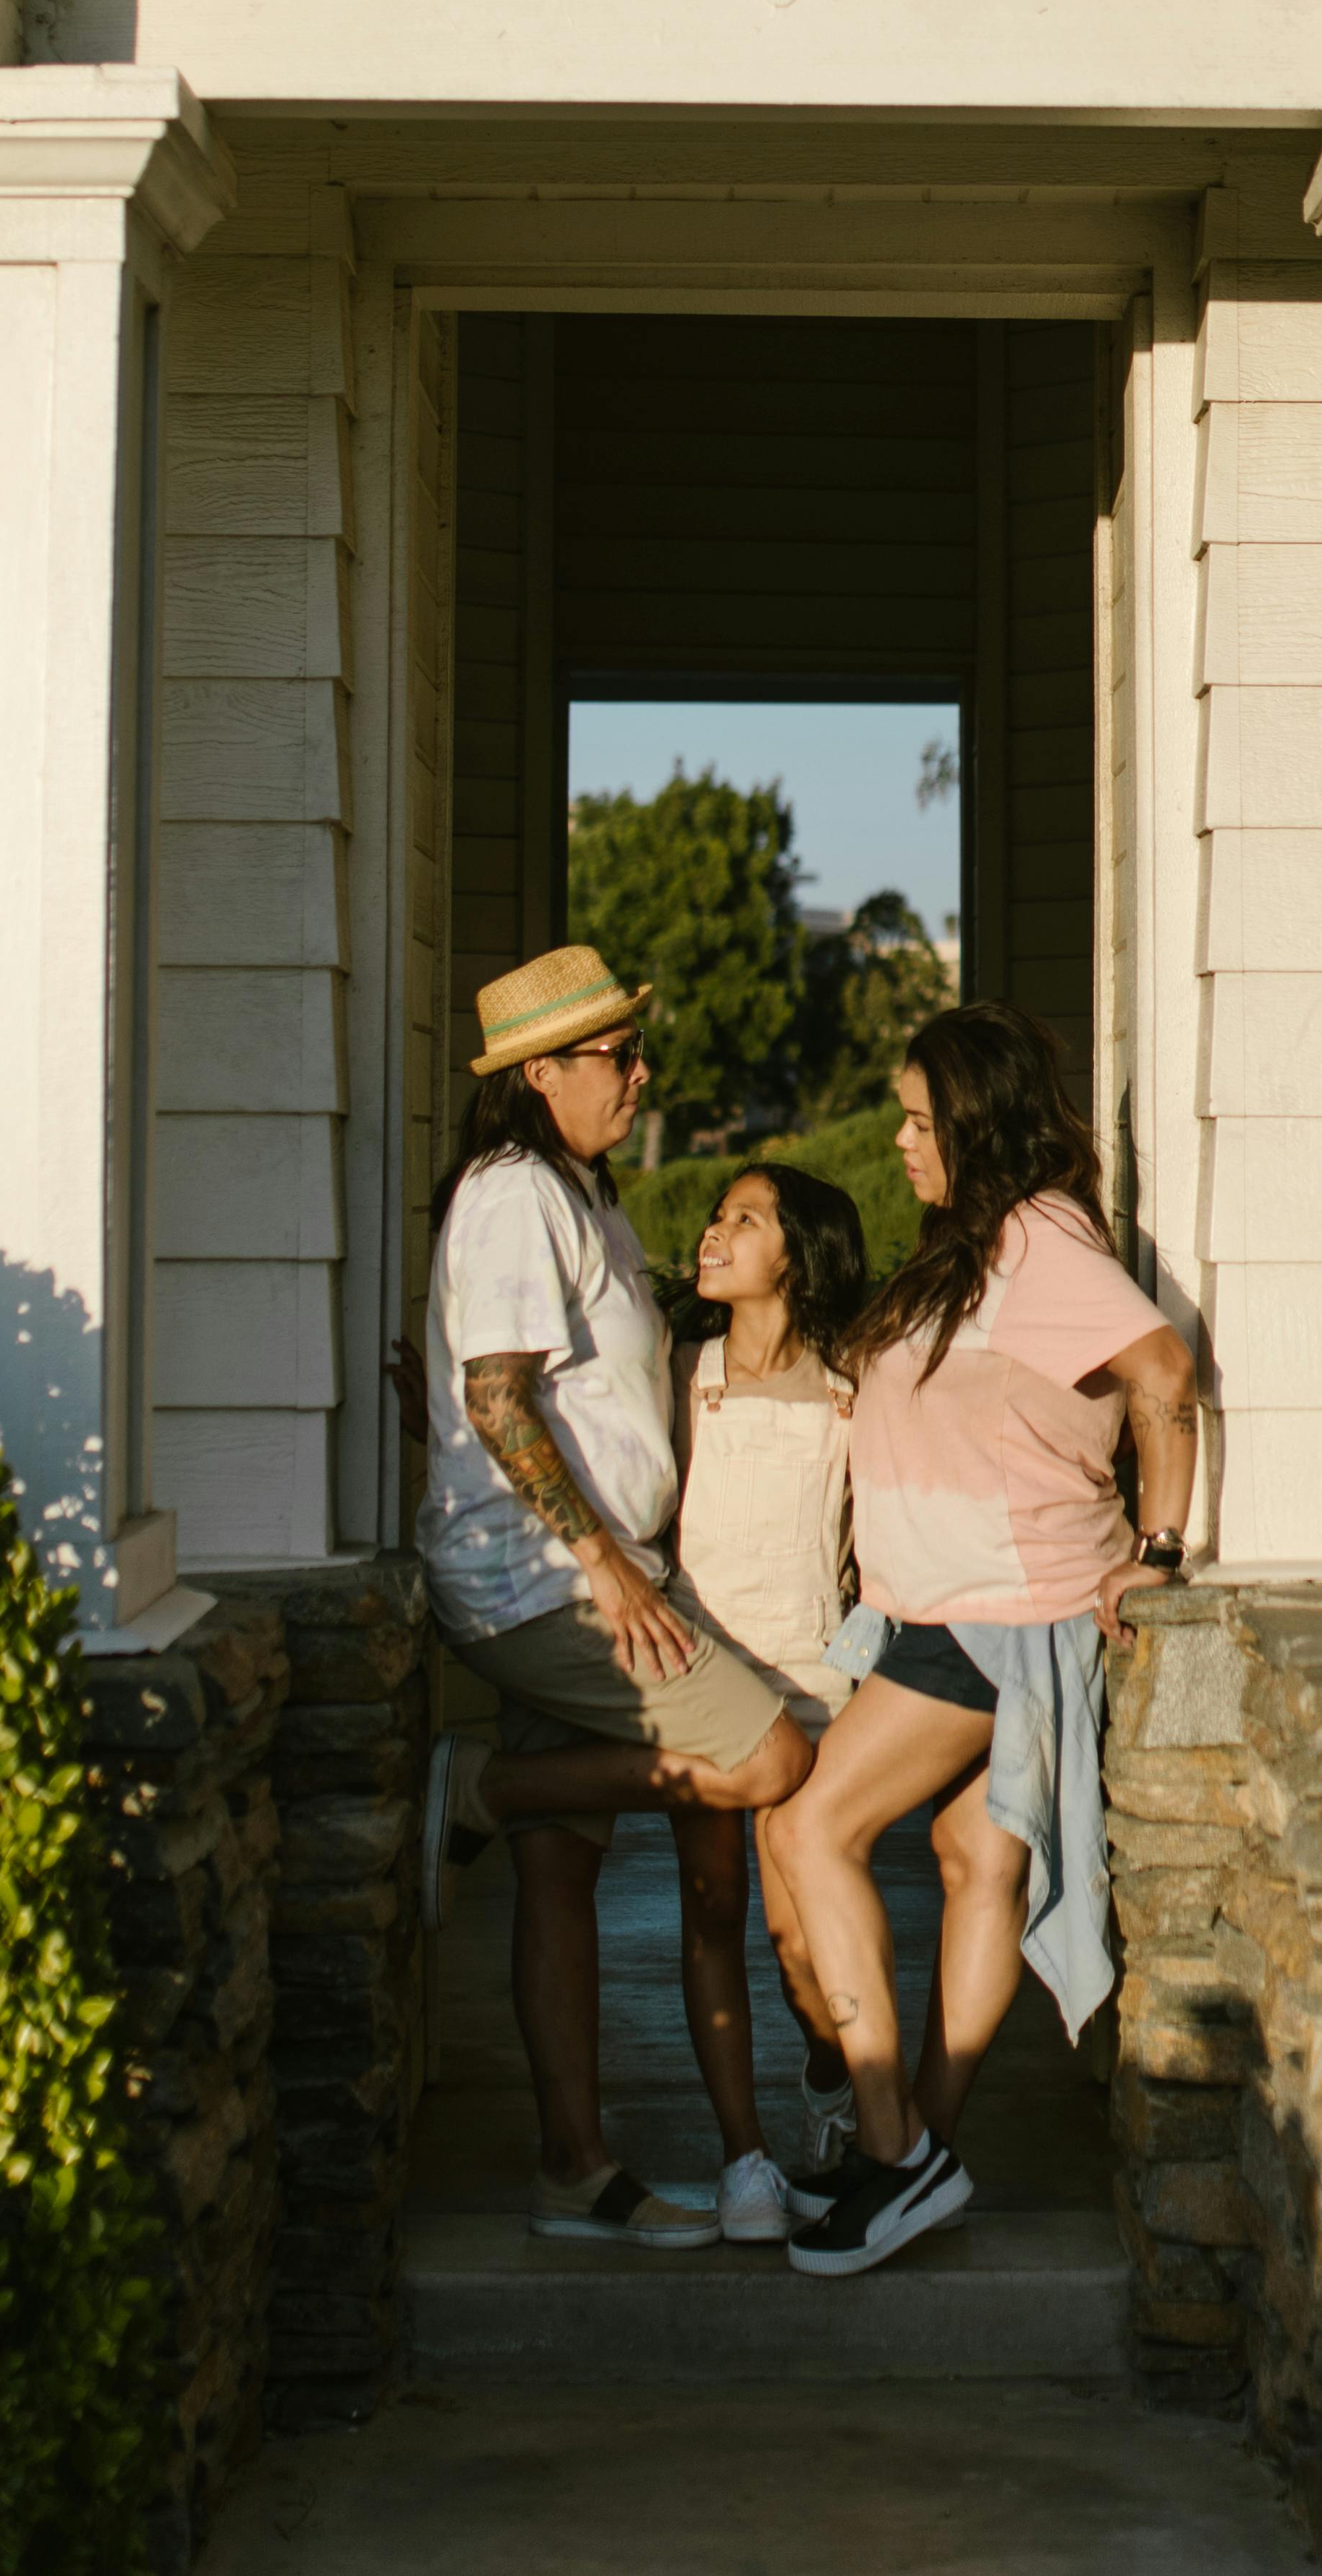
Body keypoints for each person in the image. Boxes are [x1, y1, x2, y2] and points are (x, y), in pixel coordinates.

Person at [766, 1000, 1201, 2281]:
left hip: (998, 1606)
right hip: (944, 1600)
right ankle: (916, 2158)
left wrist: (1158, 1552)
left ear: (977, 1124)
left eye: (918, 1120)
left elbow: (1163, 1374)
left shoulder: (1040, 1241)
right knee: (970, 1860)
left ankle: (896, 2150)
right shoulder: (979, 1247)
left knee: (806, 1831)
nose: (901, 1142)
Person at [412, 945, 815, 2252]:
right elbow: (495, 1395)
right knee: (764, 1757)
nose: (639, 1075)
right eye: (615, 1057)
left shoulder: (579, 1196)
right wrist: (599, 1563)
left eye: (637, 1054)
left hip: (582, 1569)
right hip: (546, 1583)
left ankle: (574, 2169)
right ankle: (477, 1790)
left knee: (559, 1874)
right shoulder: (515, 1193)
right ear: (542, 1073)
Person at [660, 1162, 869, 2200]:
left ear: (799, 1252)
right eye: (717, 1213)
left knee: (798, 1939)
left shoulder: (847, 1397)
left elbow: (867, 1552)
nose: (714, 1229)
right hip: (701, 1682)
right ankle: (743, 2157)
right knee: (711, 1907)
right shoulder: (679, 1377)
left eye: (745, 1218)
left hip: (806, 1688)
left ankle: (830, 2077)